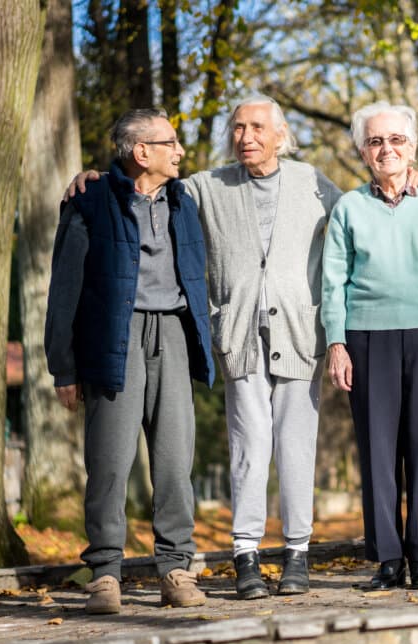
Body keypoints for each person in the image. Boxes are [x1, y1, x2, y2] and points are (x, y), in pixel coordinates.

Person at [66, 95, 342, 599]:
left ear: (281, 135)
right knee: (216, 452)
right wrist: (90, 176)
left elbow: (356, 218)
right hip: (184, 338)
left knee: (244, 455)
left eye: (257, 127)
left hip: (257, 335)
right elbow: (131, 190)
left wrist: (404, 185)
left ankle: (243, 559)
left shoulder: (301, 185)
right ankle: (215, 559)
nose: (245, 136)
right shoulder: (192, 188)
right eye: (237, 127)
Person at [46, 108, 214, 614]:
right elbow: (64, 289)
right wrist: (64, 367)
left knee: (174, 460)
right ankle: (104, 574)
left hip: (174, 336)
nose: (179, 151)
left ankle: (176, 569)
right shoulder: (89, 200)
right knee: (110, 462)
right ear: (142, 152)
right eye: (170, 143)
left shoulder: (185, 200)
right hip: (112, 338)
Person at [322, 101, 418, 590]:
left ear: (411, 147)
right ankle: (388, 558)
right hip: (367, 336)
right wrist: (336, 342)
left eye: (396, 140)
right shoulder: (348, 207)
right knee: (377, 452)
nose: (386, 149)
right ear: (363, 151)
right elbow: (333, 283)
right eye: (375, 141)